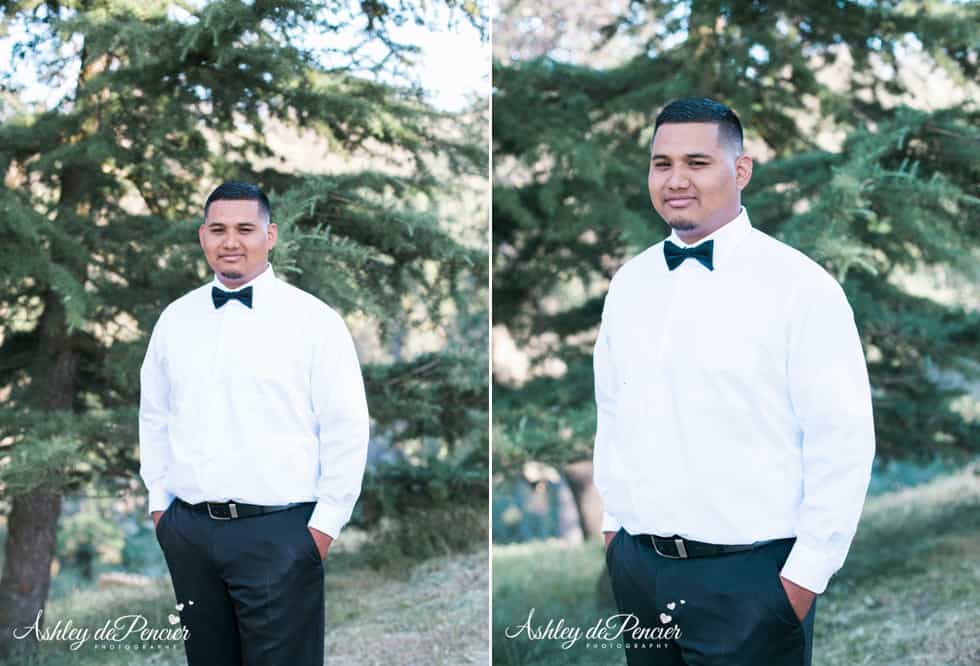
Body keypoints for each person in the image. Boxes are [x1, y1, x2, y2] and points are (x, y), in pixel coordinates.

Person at [592, 98, 875, 665]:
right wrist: (613, 529)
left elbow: (842, 441)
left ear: (739, 171)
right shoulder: (630, 284)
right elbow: (615, 412)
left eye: (697, 163)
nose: (675, 180)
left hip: (752, 583)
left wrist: (800, 582)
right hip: (640, 576)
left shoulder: (801, 288)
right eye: (661, 163)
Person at [139, 181, 370, 665]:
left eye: (246, 228)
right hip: (190, 533)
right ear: (203, 236)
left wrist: (322, 529)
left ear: (271, 235)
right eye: (219, 229)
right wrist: (161, 507)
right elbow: (155, 416)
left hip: (280, 535)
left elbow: (346, 428)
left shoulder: (314, 321)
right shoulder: (175, 320)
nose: (231, 241)